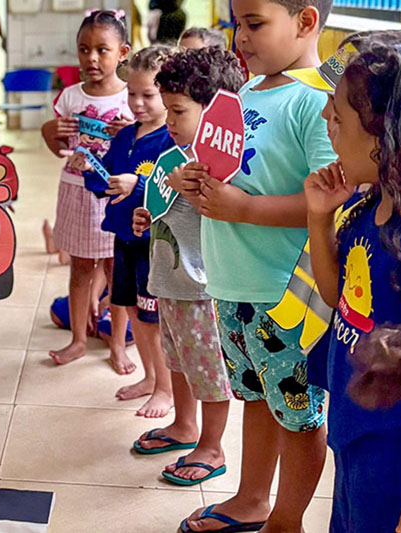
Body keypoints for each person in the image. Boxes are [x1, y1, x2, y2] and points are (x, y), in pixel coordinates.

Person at [171, 0, 336, 530]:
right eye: (237, 23)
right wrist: (197, 181)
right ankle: (251, 499)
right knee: (257, 401)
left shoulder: (316, 100)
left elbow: (327, 200)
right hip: (232, 282)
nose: (240, 37)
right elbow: (235, 170)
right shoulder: (244, 92)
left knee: (297, 416)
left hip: (284, 292)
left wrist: (242, 208)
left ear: (306, 21)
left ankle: (286, 520)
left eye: (255, 24)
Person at [304, 41, 401, 533]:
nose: (326, 115)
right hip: (357, 429)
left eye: (339, 117)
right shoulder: (371, 206)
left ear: (390, 138)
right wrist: (319, 220)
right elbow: (337, 297)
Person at [131, 46, 244, 489]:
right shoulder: (172, 156)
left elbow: (223, 217)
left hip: (201, 291)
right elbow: (163, 210)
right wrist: (145, 216)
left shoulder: (221, 166)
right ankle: (183, 425)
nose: (169, 120)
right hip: (169, 283)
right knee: (175, 359)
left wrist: (194, 188)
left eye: (178, 111)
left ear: (215, 112)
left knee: (208, 370)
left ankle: (212, 447)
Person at [68, 44, 177, 413]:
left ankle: (165, 387)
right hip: (123, 239)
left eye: (149, 95)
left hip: (153, 245)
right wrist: (91, 170)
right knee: (132, 312)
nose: (138, 103)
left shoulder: (172, 141)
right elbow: (106, 182)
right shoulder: (125, 136)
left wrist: (139, 185)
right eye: (132, 93)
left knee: (153, 319)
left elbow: (173, 192)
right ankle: (150, 377)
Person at [41, 10, 135, 372]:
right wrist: (55, 133)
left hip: (114, 195)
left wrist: (129, 132)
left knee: (116, 271)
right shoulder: (69, 97)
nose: (92, 58)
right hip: (76, 192)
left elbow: (142, 152)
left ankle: (117, 346)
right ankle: (78, 339)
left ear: (122, 52)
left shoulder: (131, 100)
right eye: (84, 49)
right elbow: (60, 150)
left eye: (102, 50)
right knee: (80, 268)